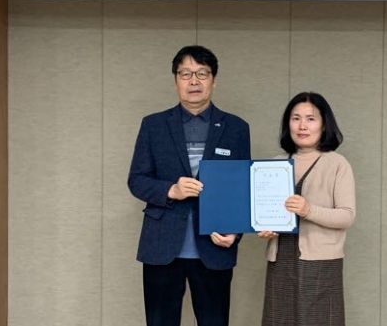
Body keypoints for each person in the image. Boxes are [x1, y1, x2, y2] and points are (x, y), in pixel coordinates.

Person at [128, 45, 251, 326]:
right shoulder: (153, 125)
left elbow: (242, 188)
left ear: (214, 80)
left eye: (202, 73)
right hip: (162, 245)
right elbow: (137, 180)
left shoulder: (236, 128)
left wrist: (235, 232)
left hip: (215, 246)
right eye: (185, 74)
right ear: (175, 80)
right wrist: (171, 190)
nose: (194, 81)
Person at [259, 92, 356, 326]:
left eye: (311, 119)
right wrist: (265, 227)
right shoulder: (274, 163)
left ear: (324, 125)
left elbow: (347, 216)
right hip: (280, 259)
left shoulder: (337, 164)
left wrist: (308, 210)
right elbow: (266, 211)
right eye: (296, 118)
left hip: (320, 262)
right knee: (278, 321)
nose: (302, 126)